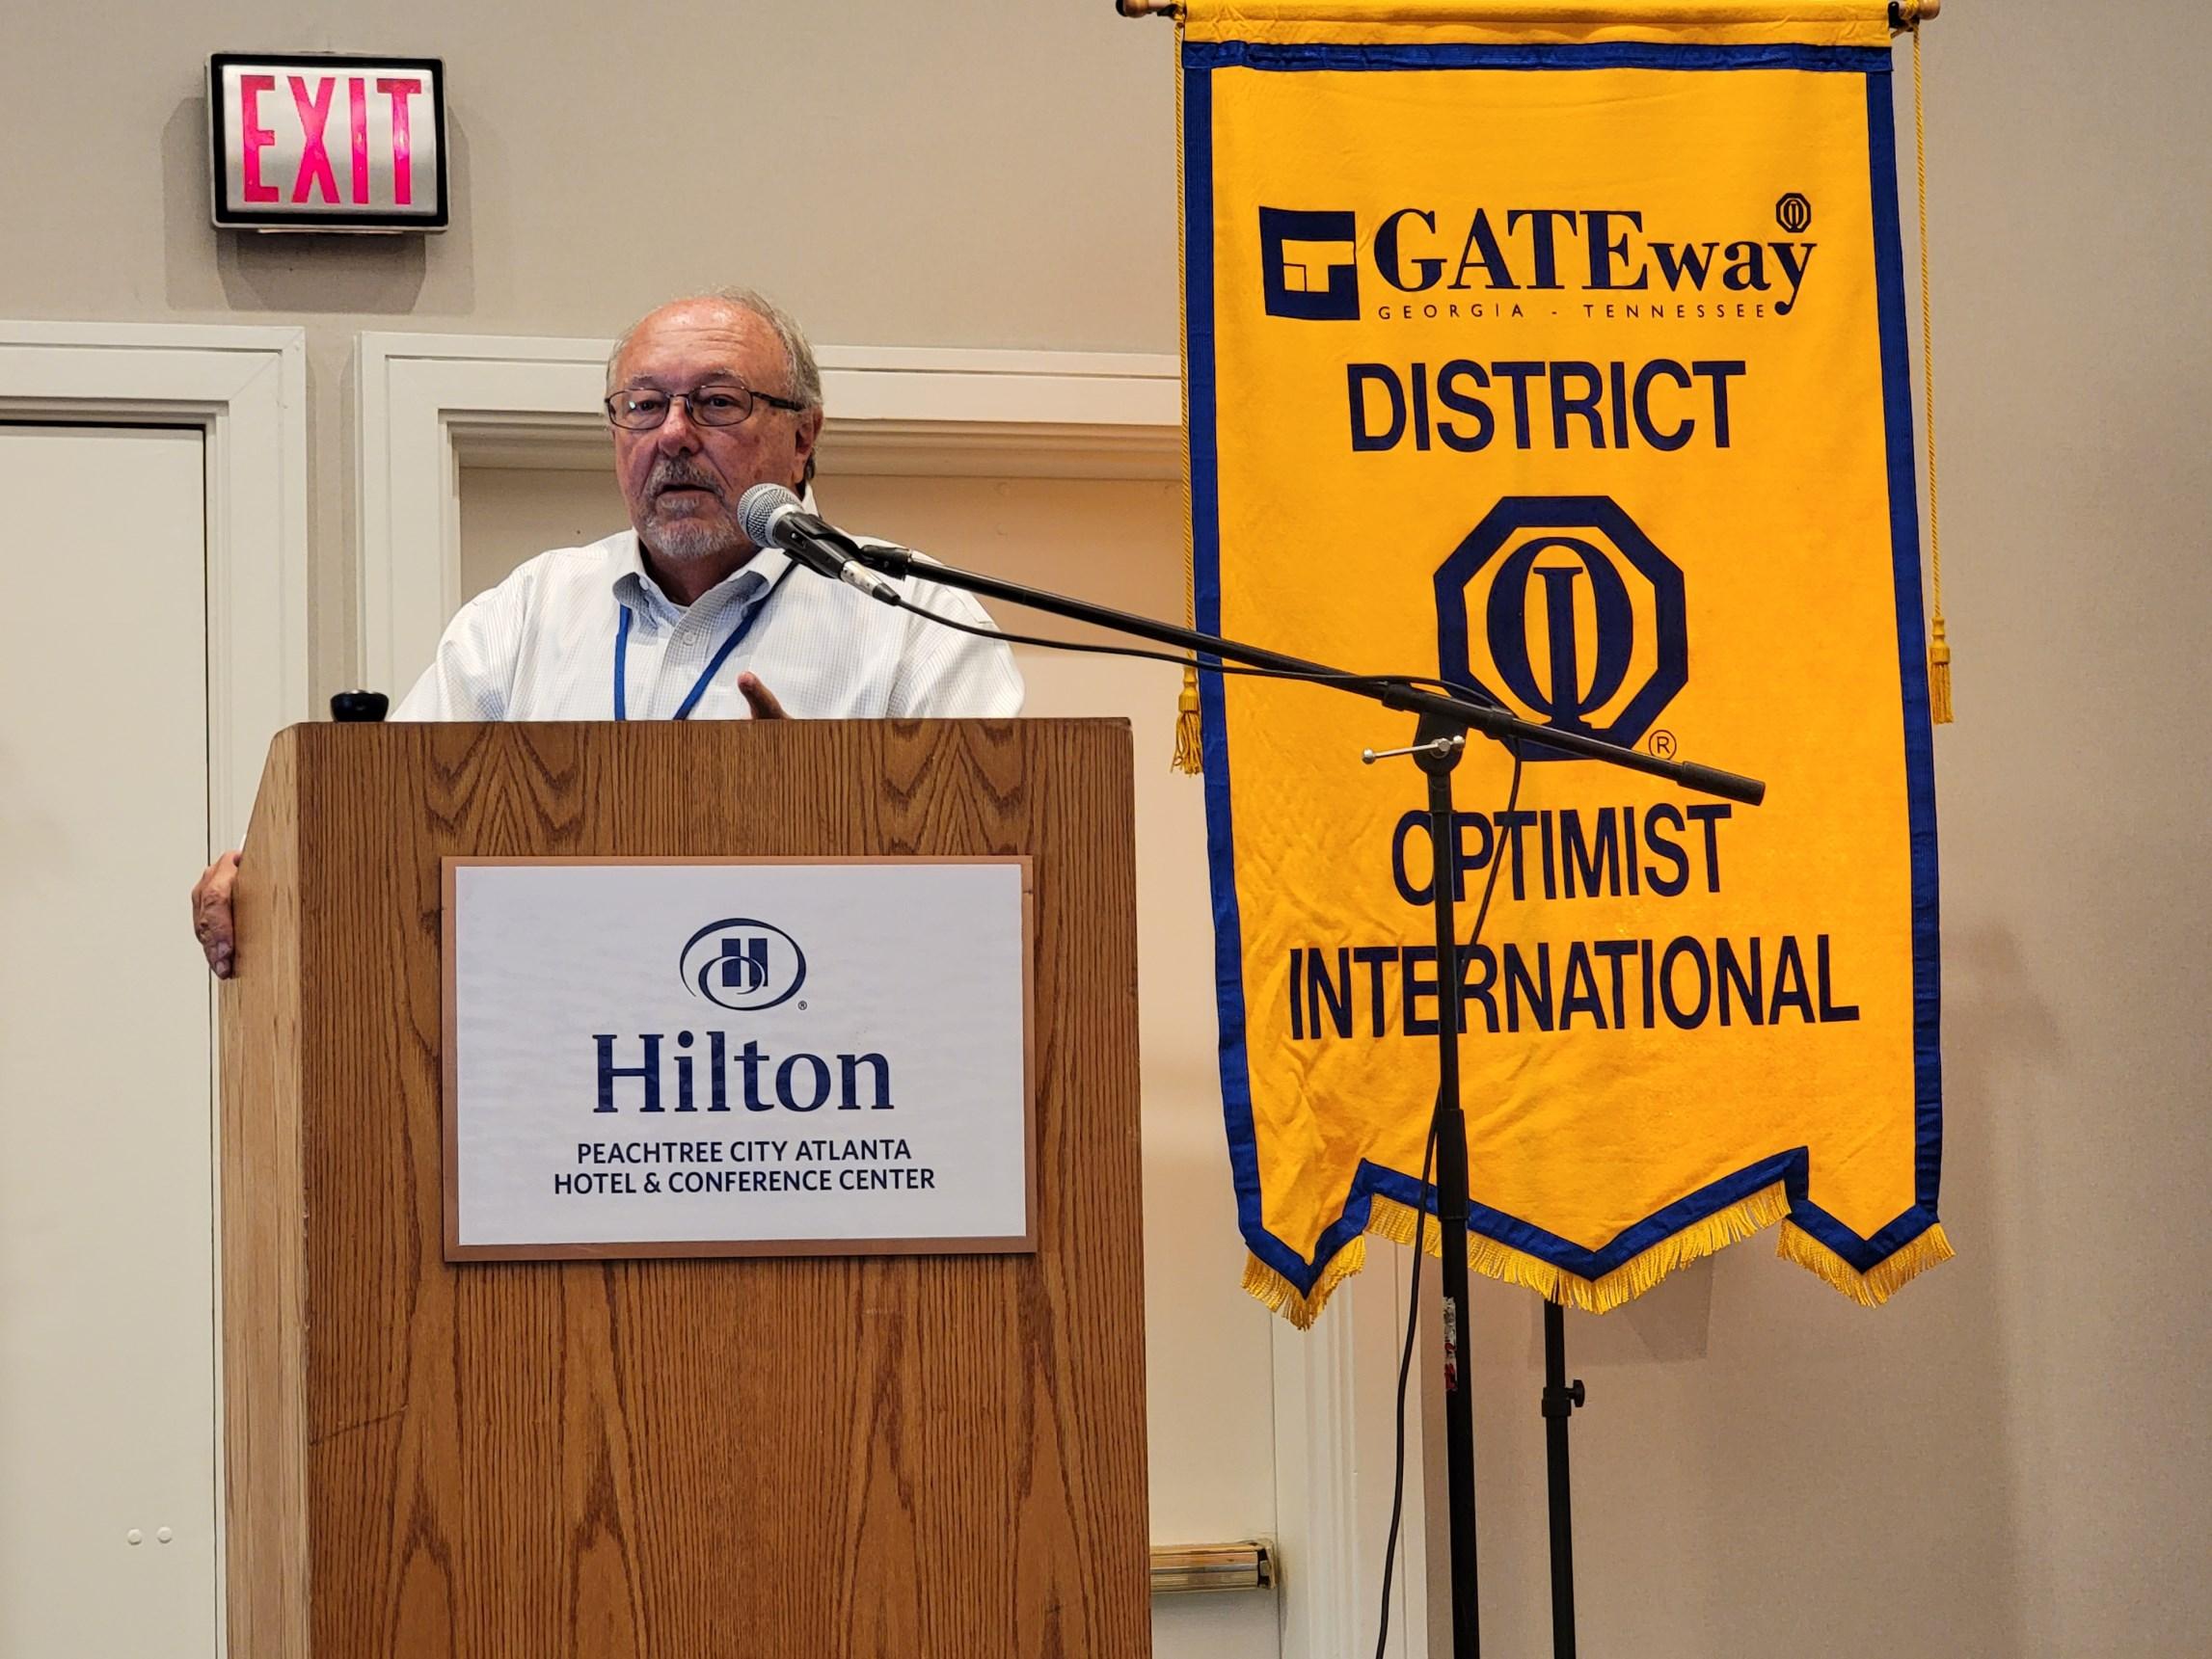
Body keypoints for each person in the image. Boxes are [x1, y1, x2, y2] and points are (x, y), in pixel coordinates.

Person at [190, 287, 1022, 977]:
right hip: (568, 1069)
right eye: (644, 406)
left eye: (718, 402)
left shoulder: (916, 616)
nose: (674, 434)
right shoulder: (528, 613)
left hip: (823, 1066)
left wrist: (823, 813)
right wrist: (264, 883)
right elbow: (388, 829)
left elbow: (994, 882)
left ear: (803, 437)